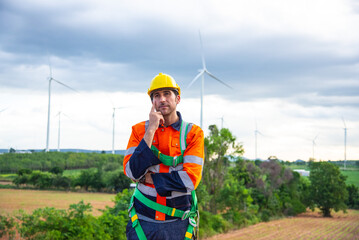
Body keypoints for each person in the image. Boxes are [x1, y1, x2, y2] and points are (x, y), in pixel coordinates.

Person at [123, 73, 204, 240]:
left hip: (178, 223)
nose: (162, 99)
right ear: (152, 102)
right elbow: (132, 172)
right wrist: (151, 129)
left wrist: (150, 179)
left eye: (167, 93)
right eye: (156, 96)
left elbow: (190, 180)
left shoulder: (193, 134)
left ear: (178, 98)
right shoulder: (139, 131)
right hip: (143, 222)